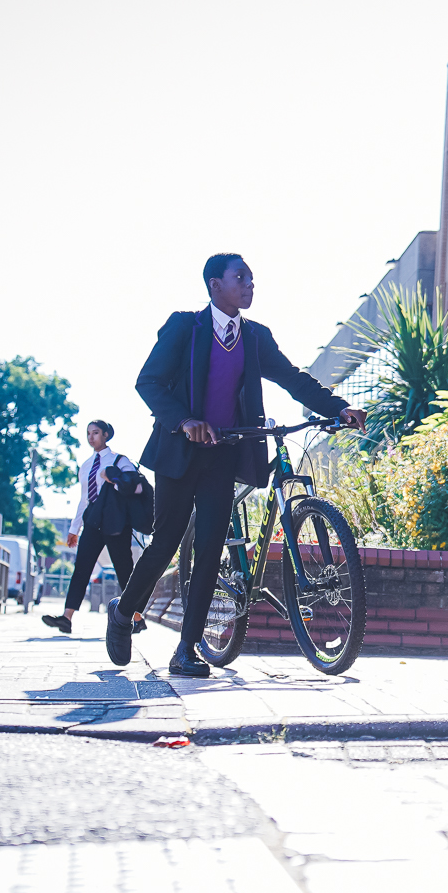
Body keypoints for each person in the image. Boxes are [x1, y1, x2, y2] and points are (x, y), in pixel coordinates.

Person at [103, 253, 364, 676]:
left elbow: (294, 378)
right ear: (214, 285)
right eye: (239, 277)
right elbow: (147, 381)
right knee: (166, 541)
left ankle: (186, 649)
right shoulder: (184, 327)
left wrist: (339, 407)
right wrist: (185, 421)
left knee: (209, 547)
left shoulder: (255, 337)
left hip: (224, 452)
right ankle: (123, 610)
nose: (249, 285)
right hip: (179, 451)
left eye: (252, 279)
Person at [41, 419, 146, 635]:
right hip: (93, 520)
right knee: (81, 568)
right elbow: (83, 499)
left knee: (123, 569)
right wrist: (74, 529)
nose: (91, 437)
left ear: (106, 435)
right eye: (88, 433)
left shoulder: (119, 460)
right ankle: (66, 618)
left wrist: (113, 479)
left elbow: (134, 486)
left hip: (116, 520)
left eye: (96, 433)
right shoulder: (86, 466)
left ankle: (137, 617)